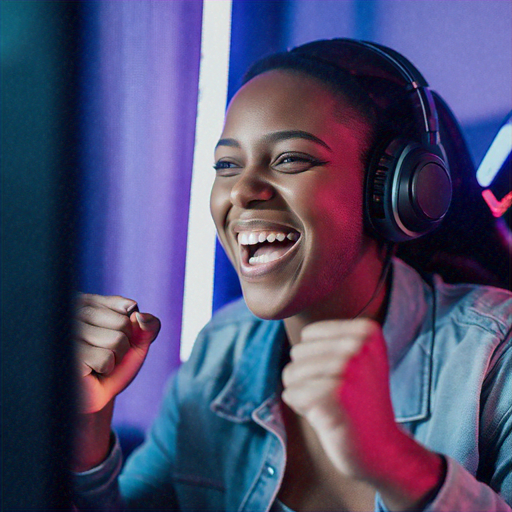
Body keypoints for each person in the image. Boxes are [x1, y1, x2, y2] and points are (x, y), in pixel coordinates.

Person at [72, 39, 511, 511]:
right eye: (227, 165)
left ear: (393, 192)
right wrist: (85, 432)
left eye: (289, 159)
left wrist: (395, 461)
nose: (242, 191)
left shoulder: (494, 354)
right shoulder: (220, 351)